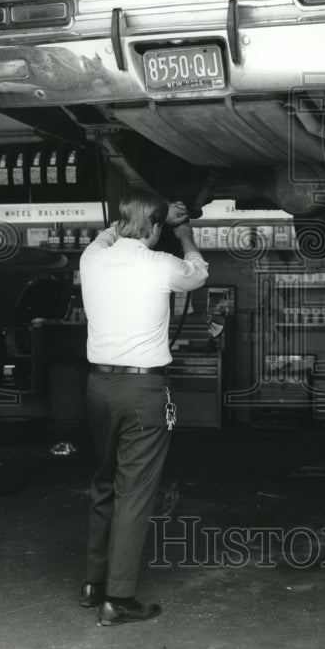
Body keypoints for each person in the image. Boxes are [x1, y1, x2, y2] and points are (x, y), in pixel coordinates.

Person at [78, 189, 209, 626]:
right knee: (133, 492)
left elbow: (107, 235)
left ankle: (93, 583)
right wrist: (185, 231)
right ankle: (118, 598)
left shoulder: (92, 259)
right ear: (154, 229)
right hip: (142, 393)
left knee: (103, 482)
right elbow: (198, 273)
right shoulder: (161, 265)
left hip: (97, 386)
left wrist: (135, 218)